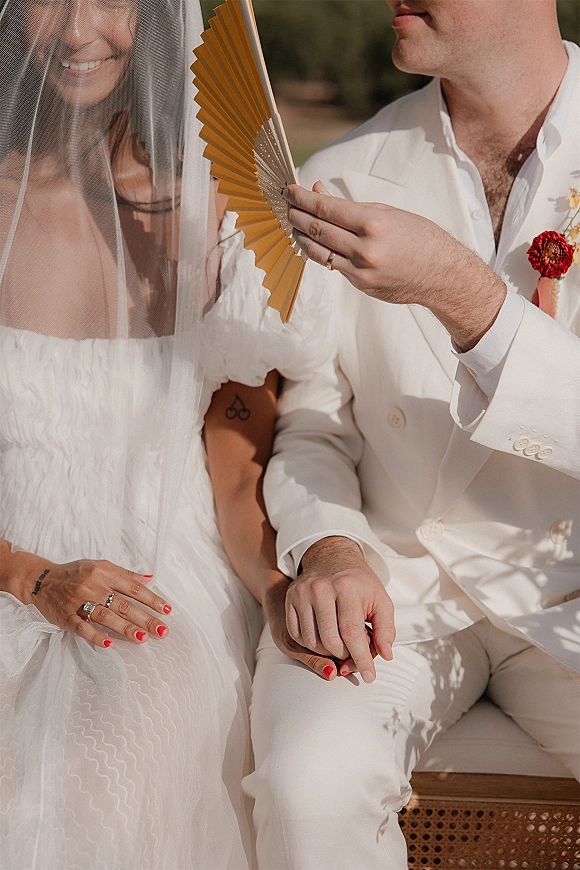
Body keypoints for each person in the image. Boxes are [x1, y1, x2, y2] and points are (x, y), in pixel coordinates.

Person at [243, 1, 580, 867]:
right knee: (307, 787)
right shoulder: (341, 176)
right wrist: (331, 548)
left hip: (569, 592)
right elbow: (314, 417)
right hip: (399, 596)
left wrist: (465, 294)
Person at [0, 1, 334, 868]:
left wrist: (272, 589)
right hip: (6, 567)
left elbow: (235, 462)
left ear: (157, 12)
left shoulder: (224, 214)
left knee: (87, 777)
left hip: (160, 587)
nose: (76, 33)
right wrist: (31, 577)